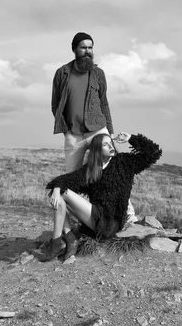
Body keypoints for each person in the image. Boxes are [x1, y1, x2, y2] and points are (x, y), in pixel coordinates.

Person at [51, 32, 137, 223]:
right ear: (75, 49)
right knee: (71, 179)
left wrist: (110, 131)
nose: (88, 51)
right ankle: (71, 225)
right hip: (74, 135)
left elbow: (104, 103)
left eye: (90, 47)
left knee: (114, 172)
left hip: (99, 130)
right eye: (83, 47)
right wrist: (66, 130)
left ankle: (129, 216)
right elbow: (55, 104)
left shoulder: (98, 74)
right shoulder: (62, 73)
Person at [43, 131, 162, 261]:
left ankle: (61, 241)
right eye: (106, 145)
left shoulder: (124, 162)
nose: (111, 146)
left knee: (61, 192)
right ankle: (65, 239)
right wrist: (56, 189)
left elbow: (153, 152)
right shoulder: (91, 170)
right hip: (96, 218)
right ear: (97, 150)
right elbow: (65, 180)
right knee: (57, 192)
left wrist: (131, 138)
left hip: (111, 223)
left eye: (111, 143)